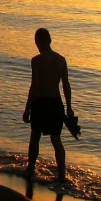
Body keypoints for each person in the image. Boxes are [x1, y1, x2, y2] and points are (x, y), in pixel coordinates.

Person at [22, 28, 73, 182]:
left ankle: (31, 169)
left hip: (41, 102)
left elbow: (35, 86)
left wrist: (27, 109)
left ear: (37, 41)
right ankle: (62, 175)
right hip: (56, 103)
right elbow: (66, 85)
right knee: (56, 140)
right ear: (49, 40)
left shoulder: (37, 61)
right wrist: (69, 107)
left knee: (35, 137)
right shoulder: (61, 60)